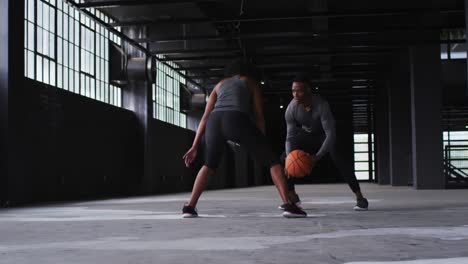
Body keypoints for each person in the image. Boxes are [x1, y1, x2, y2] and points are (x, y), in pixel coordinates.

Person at [182, 60, 307, 218]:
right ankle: (288, 204)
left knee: (209, 164)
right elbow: (259, 115)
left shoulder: (219, 84)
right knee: (273, 161)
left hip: (214, 121)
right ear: (248, 72)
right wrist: (262, 142)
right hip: (234, 118)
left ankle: (190, 207)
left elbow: (205, 118)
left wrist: (194, 146)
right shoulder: (251, 82)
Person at [280, 73, 369, 211]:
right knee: (285, 158)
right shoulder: (291, 109)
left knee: (339, 158)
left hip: (324, 136)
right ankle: (292, 196)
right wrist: (288, 157)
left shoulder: (321, 105)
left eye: (299, 90)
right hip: (308, 135)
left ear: (308, 90)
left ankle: (360, 197)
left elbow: (330, 135)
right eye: (293, 91)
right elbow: (290, 137)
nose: (295, 94)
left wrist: (317, 157)